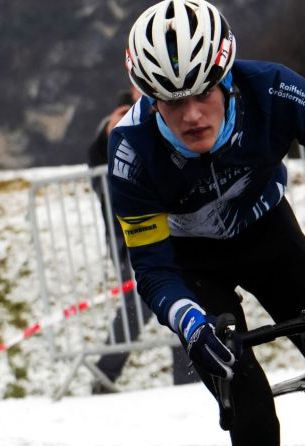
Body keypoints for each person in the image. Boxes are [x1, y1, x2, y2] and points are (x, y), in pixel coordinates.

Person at [109, 0, 305, 444]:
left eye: (203, 93)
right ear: (151, 99)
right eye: (173, 101)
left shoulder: (275, 90)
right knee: (249, 404)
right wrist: (192, 326)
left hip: (269, 233)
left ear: (227, 78)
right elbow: (152, 268)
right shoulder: (131, 150)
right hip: (192, 263)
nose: (192, 115)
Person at [87, 85, 198, 392]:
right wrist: (110, 132)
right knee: (139, 305)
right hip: (129, 240)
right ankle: (106, 374)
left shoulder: (164, 120)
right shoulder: (117, 124)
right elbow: (99, 160)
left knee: (182, 297)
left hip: (172, 233)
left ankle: (187, 377)